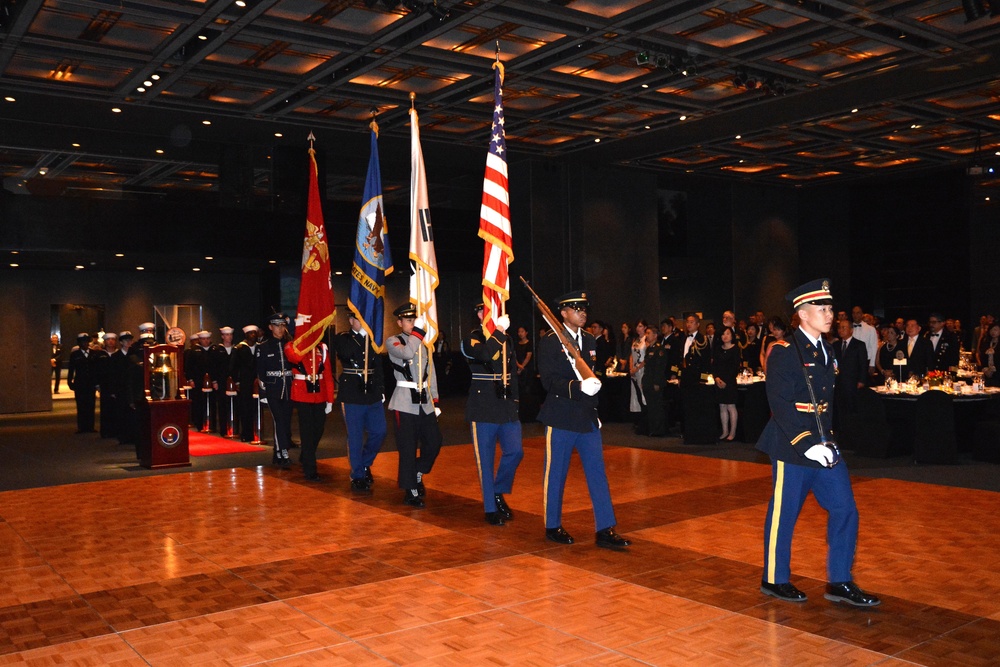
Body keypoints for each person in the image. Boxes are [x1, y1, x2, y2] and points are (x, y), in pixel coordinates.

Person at [757, 278, 880, 607]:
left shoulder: (828, 350)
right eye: (822, 308)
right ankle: (774, 578)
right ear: (802, 313)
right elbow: (781, 404)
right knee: (784, 514)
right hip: (793, 446)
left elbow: (824, 401)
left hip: (825, 445)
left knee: (845, 508)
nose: (830, 314)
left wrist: (826, 442)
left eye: (830, 308)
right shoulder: (784, 351)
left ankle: (840, 580)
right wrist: (807, 443)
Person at [536, 290, 630, 549]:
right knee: (556, 474)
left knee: (597, 473)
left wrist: (594, 409)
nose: (583, 313)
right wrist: (578, 388)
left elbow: (591, 374)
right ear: (563, 313)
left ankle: (605, 528)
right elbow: (549, 382)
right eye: (577, 309)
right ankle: (552, 525)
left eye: (584, 309)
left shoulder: (589, 340)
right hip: (561, 417)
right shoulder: (550, 341)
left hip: (587, 417)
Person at [461, 303, 523, 525]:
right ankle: (490, 508)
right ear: (478, 315)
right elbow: (486, 354)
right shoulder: (471, 339)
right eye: (482, 311)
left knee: (515, 452)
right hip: (483, 406)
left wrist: (515, 401)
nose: (485, 314)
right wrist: (499, 331)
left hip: (505, 405)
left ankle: (498, 490)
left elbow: (512, 373)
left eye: (490, 311)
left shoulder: (506, 338)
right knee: (485, 461)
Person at [387, 303, 442, 508]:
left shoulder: (425, 345)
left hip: (424, 402)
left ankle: (418, 470)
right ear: (399, 322)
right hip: (404, 402)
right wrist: (418, 332)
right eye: (408, 321)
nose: (411, 324)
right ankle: (410, 490)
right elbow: (408, 353)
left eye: (414, 320)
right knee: (408, 448)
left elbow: (431, 374)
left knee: (435, 442)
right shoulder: (393, 341)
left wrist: (435, 400)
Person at [335, 312, 387, 492]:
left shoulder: (372, 339)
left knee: (380, 431)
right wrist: (362, 336)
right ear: (350, 320)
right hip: (352, 393)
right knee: (355, 436)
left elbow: (378, 365)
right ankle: (357, 475)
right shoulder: (343, 338)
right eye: (359, 319)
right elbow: (346, 352)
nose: (364, 323)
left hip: (371, 392)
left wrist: (381, 389)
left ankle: (365, 463)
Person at [285, 337, 335, 482]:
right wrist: (305, 343)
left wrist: (330, 399)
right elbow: (294, 358)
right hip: (302, 393)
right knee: (306, 432)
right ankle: (310, 469)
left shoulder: (322, 348)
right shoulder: (291, 346)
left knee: (318, 429)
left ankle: (306, 455)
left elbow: (327, 374)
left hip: (319, 393)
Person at [256, 314, 294, 467]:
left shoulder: (290, 344)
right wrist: (263, 392)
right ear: (271, 327)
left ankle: (278, 451)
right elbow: (260, 371)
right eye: (277, 325)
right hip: (273, 388)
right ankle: (282, 451)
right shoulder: (264, 346)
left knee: (286, 420)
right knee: (278, 420)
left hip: (289, 387)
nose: (280, 328)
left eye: (283, 325)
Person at [832, 318, 868, 432]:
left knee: (852, 409)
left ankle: (852, 431)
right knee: (839, 409)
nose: (841, 330)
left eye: (844, 327)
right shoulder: (835, 345)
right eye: (839, 328)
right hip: (839, 383)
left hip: (853, 383)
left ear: (851, 330)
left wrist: (862, 380)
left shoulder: (859, 345)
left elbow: (863, 364)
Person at [712, 326, 740, 441]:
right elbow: (714, 366)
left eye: (728, 334)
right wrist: (716, 378)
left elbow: (735, 367)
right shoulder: (718, 349)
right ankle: (724, 431)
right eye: (723, 334)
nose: (725, 336)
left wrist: (726, 381)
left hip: (730, 382)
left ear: (732, 336)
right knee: (722, 406)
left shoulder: (735, 349)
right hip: (719, 381)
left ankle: (732, 432)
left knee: (731, 406)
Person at [640, 326, 668, 437]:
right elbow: (647, 367)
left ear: (655, 335)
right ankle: (652, 428)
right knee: (650, 407)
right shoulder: (649, 349)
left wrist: (656, 382)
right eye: (646, 333)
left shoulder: (659, 349)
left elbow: (659, 368)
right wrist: (644, 380)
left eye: (649, 333)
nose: (647, 335)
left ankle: (658, 430)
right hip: (648, 381)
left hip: (655, 382)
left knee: (657, 407)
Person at [67, 333, 98, 434]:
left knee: (91, 405)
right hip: (80, 383)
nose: (85, 343)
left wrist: (97, 382)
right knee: (81, 405)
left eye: (86, 341)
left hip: (91, 383)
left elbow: (97, 369)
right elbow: (71, 369)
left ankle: (90, 426)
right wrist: (70, 382)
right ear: (79, 343)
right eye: (82, 341)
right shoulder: (75, 355)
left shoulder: (94, 353)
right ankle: (82, 427)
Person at [234, 325, 260, 442]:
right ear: (246, 335)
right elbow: (234, 367)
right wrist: (237, 381)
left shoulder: (260, 348)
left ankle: (257, 432)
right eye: (251, 333)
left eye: (255, 333)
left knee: (257, 408)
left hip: (257, 382)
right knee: (245, 408)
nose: (253, 335)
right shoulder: (239, 348)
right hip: (244, 382)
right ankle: (246, 433)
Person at [211, 326, 238, 436]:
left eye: (230, 335)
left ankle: (233, 428)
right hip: (221, 381)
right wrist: (214, 381)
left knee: (235, 405)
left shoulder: (236, 349)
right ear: (222, 336)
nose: (229, 337)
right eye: (227, 335)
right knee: (222, 405)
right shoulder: (217, 350)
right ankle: (223, 429)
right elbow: (213, 366)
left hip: (233, 381)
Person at [94, 332, 118, 439]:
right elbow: (96, 371)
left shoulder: (118, 354)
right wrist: (97, 384)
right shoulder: (99, 355)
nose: (111, 341)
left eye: (113, 339)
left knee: (116, 408)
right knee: (105, 408)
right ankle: (105, 431)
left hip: (117, 385)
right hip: (105, 385)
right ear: (105, 342)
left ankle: (116, 430)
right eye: (108, 340)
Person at [628, 319, 649, 429]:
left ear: (645, 327)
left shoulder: (647, 339)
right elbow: (631, 355)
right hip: (634, 370)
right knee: (635, 394)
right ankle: (638, 418)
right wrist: (631, 368)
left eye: (640, 326)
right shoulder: (635, 340)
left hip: (642, 370)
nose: (638, 328)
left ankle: (645, 419)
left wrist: (637, 368)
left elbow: (647, 357)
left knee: (642, 394)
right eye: (637, 326)